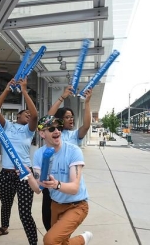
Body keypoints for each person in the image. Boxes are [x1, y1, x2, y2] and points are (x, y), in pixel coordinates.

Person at [0, 78, 38, 245]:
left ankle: (33, 242)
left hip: (24, 174)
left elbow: (36, 115)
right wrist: (7, 89)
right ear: (18, 115)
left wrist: (24, 91)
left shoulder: (28, 131)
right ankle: (4, 227)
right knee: (6, 204)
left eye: (29, 115)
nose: (29, 115)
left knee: (25, 212)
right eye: (26, 113)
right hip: (6, 173)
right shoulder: (7, 126)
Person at [29, 115, 93, 245]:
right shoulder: (39, 154)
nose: (57, 131)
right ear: (42, 133)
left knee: (50, 240)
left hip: (77, 205)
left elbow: (74, 188)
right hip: (56, 205)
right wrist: (27, 175)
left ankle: (81, 239)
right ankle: (83, 240)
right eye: (51, 128)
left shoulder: (73, 151)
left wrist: (56, 184)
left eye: (59, 127)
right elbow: (37, 188)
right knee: (61, 243)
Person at [39, 85, 92, 231]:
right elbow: (48, 118)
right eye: (67, 117)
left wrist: (87, 103)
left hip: (67, 185)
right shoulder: (53, 132)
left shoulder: (75, 135)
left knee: (63, 226)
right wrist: (62, 97)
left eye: (72, 117)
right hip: (50, 181)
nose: (71, 120)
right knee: (48, 219)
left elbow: (86, 126)